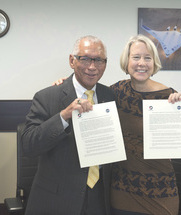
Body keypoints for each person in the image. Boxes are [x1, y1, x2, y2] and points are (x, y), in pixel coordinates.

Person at [53, 34, 181, 215]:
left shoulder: (168, 96)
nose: (141, 63)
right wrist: (64, 85)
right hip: (120, 190)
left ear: (154, 63)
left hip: (159, 191)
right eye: (136, 57)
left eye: (148, 58)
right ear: (127, 61)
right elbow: (86, 97)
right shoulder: (114, 92)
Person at [21, 35, 115, 215]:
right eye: (85, 58)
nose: (92, 66)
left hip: (100, 198)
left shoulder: (109, 96)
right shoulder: (47, 97)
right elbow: (29, 145)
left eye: (99, 60)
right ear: (72, 61)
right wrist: (64, 116)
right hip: (57, 200)